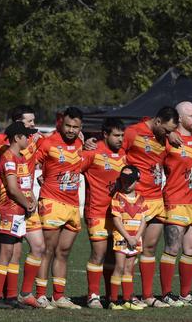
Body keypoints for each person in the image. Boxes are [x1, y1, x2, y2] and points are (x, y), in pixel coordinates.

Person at [121, 106, 178, 308]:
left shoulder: (165, 137)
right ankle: (124, 295)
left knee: (150, 247)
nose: (169, 134)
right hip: (137, 200)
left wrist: (170, 136)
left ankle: (147, 295)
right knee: (131, 249)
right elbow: (118, 153)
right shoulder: (133, 132)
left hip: (156, 198)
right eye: (167, 130)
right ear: (157, 122)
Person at [159, 101, 192, 307]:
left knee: (191, 249)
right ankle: (166, 294)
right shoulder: (166, 141)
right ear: (179, 119)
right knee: (172, 247)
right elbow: (148, 123)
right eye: (191, 115)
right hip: (176, 200)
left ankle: (185, 294)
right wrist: (167, 134)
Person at [34, 107, 84, 309]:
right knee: (47, 250)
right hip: (51, 201)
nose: (71, 130)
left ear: (81, 127)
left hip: (72, 204)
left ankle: (58, 296)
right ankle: (40, 295)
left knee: (64, 252)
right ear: (61, 123)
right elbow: (30, 162)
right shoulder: (48, 142)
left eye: (75, 127)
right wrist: (37, 175)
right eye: (68, 126)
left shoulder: (82, 143)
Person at [0, 122, 38, 309]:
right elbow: (12, 188)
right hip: (8, 210)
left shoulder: (21, 157)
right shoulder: (8, 158)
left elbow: (25, 185)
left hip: (19, 211)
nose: (29, 139)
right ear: (18, 138)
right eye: (27, 136)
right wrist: (27, 204)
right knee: (6, 252)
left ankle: (11, 296)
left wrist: (32, 200)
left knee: (16, 252)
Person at [80, 118, 127, 308]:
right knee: (98, 254)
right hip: (97, 211)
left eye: (122, 135)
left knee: (111, 256)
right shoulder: (93, 152)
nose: (120, 139)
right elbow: (74, 168)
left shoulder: (124, 154)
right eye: (116, 135)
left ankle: (110, 295)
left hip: (117, 214)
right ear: (105, 134)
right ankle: (92, 295)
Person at [3, 106, 47, 308]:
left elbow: (60, 143)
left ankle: (25, 293)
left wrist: (87, 141)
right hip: (12, 204)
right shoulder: (6, 146)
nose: (33, 125)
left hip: (29, 203)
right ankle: (8, 295)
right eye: (29, 122)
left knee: (39, 247)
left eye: (33, 121)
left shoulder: (35, 141)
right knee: (14, 253)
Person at [108, 165, 148, 311]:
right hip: (122, 237)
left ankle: (127, 299)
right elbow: (116, 220)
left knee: (129, 268)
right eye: (124, 180)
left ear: (137, 180)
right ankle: (113, 300)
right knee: (119, 266)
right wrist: (128, 237)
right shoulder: (117, 198)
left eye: (130, 180)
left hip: (135, 238)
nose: (126, 183)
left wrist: (136, 237)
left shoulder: (141, 199)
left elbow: (144, 220)